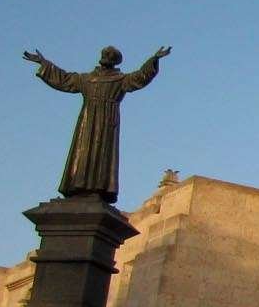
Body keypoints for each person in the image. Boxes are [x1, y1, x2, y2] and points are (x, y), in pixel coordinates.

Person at [24, 45, 170, 203]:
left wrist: (154, 59)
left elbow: (141, 76)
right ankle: (77, 187)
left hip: (107, 122)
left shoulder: (120, 80)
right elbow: (64, 79)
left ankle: (98, 188)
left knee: (103, 154)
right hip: (87, 121)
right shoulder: (86, 79)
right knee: (83, 151)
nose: (106, 56)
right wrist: (43, 63)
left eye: (109, 55)